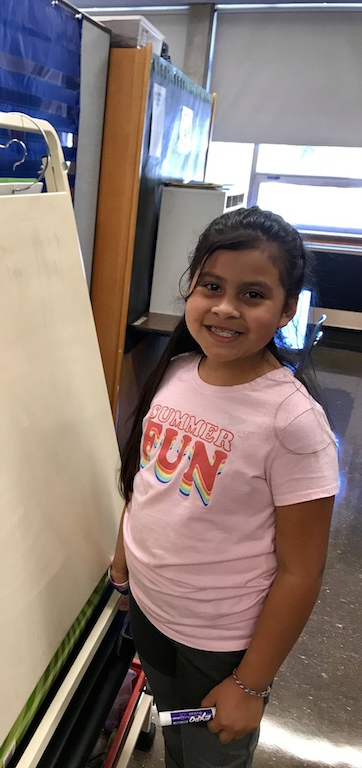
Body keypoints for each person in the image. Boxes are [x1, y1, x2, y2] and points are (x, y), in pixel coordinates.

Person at [109, 206, 339, 768]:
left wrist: (252, 685)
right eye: (211, 286)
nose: (226, 308)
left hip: (221, 642)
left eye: (253, 294)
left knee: (214, 754)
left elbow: (301, 570)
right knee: (175, 730)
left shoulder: (292, 422)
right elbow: (148, 484)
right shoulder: (178, 372)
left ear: (286, 309)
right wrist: (124, 556)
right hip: (152, 612)